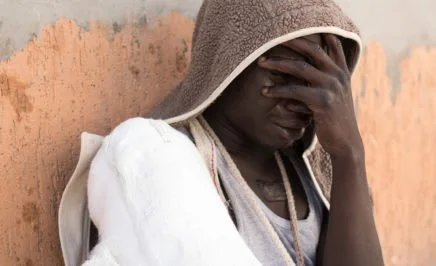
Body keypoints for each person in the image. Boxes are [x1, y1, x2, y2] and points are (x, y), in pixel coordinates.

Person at [58, 0, 384, 265]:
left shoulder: (310, 176)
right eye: (285, 74)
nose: (302, 101)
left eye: (317, 84)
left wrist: (349, 155)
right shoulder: (158, 160)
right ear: (230, 63)